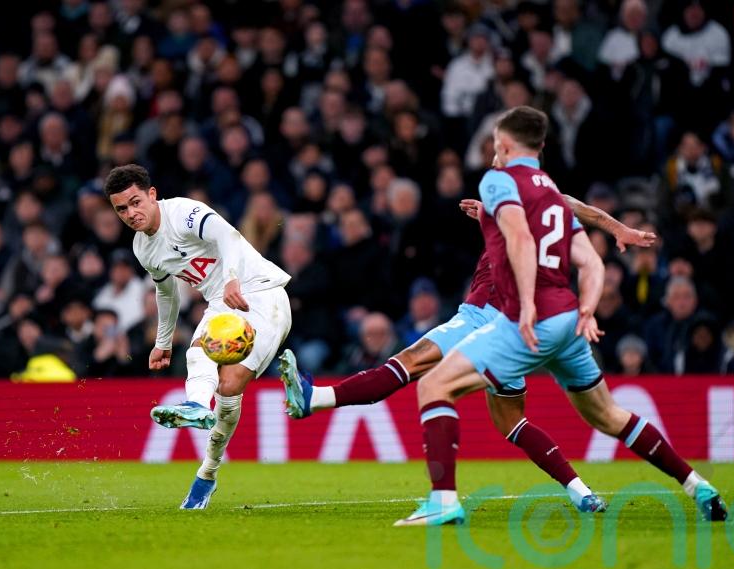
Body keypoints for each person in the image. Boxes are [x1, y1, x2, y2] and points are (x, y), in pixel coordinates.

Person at [278, 132, 656, 515]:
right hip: (513, 328)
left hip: (482, 319)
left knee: (409, 364)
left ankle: (316, 400)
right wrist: (617, 229)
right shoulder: (542, 207)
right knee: (513, 423)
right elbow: (578, 210)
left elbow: (567, 212)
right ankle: (581, 492)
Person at [386, 106, 726, 526]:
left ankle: (442, 501)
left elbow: (520, 242)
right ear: (542, 146)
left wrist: (526, 305)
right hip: (568, 320)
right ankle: (697, 484)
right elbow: (591, 263)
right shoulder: (549, 194)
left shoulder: (497, 181)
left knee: (435, 385)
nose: (493, 154)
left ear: (506, 146)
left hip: (527, 321)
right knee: (609, 416)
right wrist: (588, 307)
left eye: (495, 146)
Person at [103, 164, 291, 509]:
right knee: (219, 378)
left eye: (135, 202)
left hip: (261, 293)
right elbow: (167, 293)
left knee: (220, 372)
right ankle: (203, 449)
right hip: (222, 304)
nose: (131, 213)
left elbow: (228, 236)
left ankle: (207, 460)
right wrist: (163, 340)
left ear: (152, 194)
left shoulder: (185, 213)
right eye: (121, 209)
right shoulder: (143, 249)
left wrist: (232, 277)